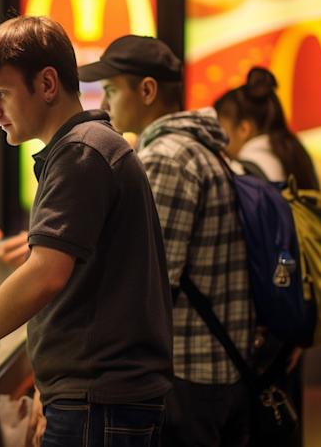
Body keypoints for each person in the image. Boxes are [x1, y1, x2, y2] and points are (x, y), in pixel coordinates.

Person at [0, 17, 173, 446]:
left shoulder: (81, 151)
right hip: (97, 395)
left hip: (100, 399)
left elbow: (46, 273)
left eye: (1, 94)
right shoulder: (86, 146)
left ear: (46, 84)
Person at [79, 35, 254, 446]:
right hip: (220, 364)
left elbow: (151, 280)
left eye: (111, 90)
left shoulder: (167, 158)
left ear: (147, 90)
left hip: (189, 371)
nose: (105, 104)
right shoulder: (202, 147)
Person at [215, 66, 320, 447]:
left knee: (260, 423)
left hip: (266, 322)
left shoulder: (247, 170)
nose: (219, 139)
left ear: (244, 128)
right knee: (283, 416)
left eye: (222, 128)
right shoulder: (296, 155)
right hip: (296, 309)